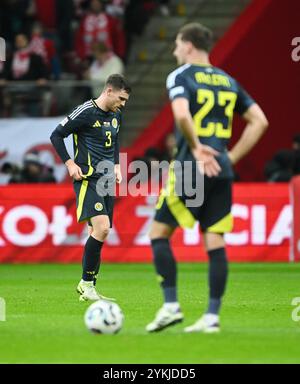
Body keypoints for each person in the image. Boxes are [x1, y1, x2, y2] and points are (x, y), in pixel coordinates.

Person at [146, 23, 268, 333]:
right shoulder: (228, 80)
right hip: (221, 172)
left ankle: (171, 306)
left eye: (176, 44)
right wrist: (229, 158)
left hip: (190, 167)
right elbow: (260, 121)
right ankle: (212, 316)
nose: (175, 51)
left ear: (188, 45)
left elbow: (182, 115)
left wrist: (198, 148)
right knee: (215, 241)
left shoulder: (181, 75)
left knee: (158, 235)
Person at [50, 74, 131, 302]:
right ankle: (86, 283)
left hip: (106, 181)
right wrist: (69, 163)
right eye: (121, 98)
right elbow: (56, 135)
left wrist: (116, 166)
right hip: (88, 179)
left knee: (97, 233)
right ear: (108, 91)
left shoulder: (116, 115)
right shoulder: (85, 111)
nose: (123, 104)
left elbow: (114, 141)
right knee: (103, 228)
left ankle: (89, 287)